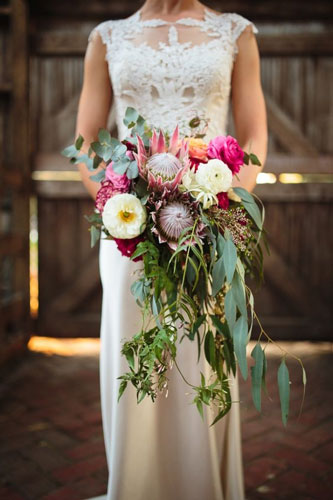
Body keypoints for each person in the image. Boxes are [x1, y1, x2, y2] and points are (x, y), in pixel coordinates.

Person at [75, 1, 268, 499]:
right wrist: (120, 209)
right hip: (129, 237)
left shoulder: (235, 33)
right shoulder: (107, 37)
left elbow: (253, 136)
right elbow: (86, 141)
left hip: (210, 228)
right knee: (133, 360)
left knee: (200, 365)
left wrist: (219, 207)